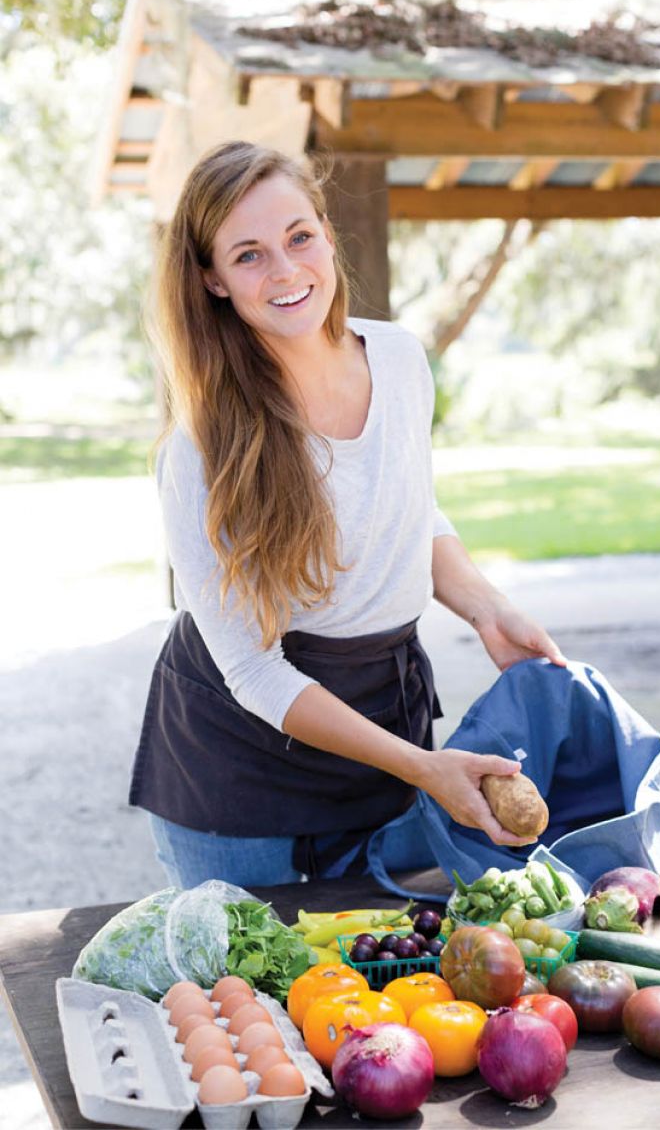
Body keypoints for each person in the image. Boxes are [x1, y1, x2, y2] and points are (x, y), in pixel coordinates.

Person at [129, 140, 566, 890]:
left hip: (381, 730)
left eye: (300, 236)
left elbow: (410, 512)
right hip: (238, 774)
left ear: (328, 233)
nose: (288, 269)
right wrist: (425, 767)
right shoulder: (200, 447)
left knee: (379, 985)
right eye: (250, 255)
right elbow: (255, 673)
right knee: (255, 997)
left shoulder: (398, 359)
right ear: (214, 280)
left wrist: (486, 608)